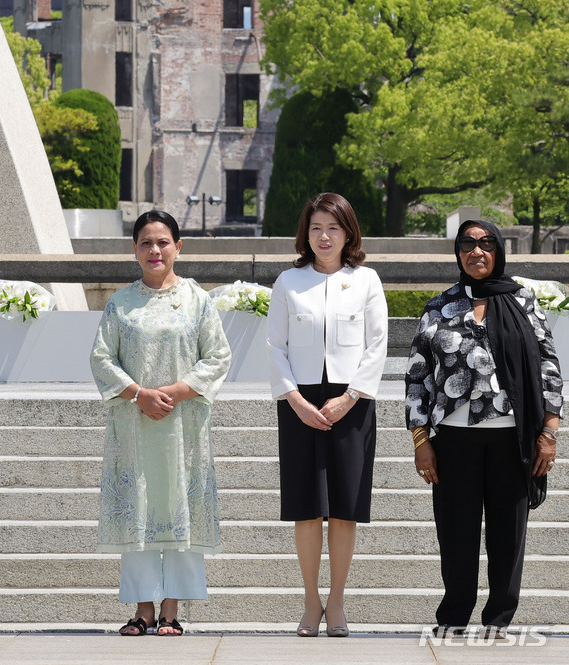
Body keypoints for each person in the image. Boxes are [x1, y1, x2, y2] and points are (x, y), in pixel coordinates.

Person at [406, 220, 563, 638]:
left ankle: (498, 618)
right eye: (468, 244)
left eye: (486, 243)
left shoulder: (523, 301)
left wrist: (549, 432)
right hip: (454, 438)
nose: (477, 251)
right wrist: (421, 440)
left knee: (507, 532)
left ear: (498, 251)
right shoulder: (439, 306)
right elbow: (417, 377)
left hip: (513, 436)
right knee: (455, 529)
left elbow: (549, 367)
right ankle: (454, 614)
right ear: (457, 252)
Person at [90, 210, 231, 636]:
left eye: (163, 242)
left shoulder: (197, 300)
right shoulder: (120, 303)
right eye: (146, 243)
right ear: (134, 249)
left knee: (178, 508)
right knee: (140, 508)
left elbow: (218, 356)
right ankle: (142, 609)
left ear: (178, 247)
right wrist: (140, 395)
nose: (155, 250)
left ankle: (171, 608)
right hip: (133, 427)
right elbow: (101, 359)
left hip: (182, 427)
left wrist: (175, 392)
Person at [266, 192, 388, 637]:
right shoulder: (288, 282)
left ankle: (336, 602)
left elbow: (377, 346)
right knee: (305, 507)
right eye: (316, 227)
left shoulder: (367, 281)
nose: (324, 236)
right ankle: (310, 602)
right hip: (300, 403)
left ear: (348, 232)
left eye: (333, 228)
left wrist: (349, 397)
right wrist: (295, 401)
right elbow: (273, 347)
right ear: (306, 232)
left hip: (350, 404)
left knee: (343, 509)